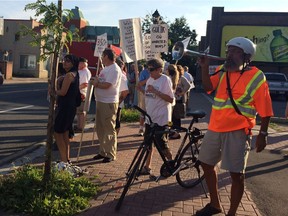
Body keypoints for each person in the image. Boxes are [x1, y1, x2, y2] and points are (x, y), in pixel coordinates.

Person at [196, 37, 273, 216]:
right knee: (206, 163)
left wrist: (263, 133)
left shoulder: (256, 76)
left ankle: (232, 213)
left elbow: (266, 109)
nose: (229, 54)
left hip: (238, 130)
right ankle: (215, 204)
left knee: (236, 174)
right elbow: (207, 87)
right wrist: (204, 67)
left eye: (234, 51)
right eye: (228, 50)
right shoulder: (223, 71)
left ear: (246, 56)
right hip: (215, 127)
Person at [140, 58, 174, 175]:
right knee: (148, 143)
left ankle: (171, 162)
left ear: (159, 69)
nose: (149, 72)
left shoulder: (165, 80)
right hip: (150, 118)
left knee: (162, 145)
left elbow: (170, 99)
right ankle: (147, 166)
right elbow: (148, 96)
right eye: (148, 69)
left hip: (161, 119)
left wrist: (156, 91)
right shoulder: (150, 79)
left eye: (151, 69)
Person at [91, 48, 122, 163]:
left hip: (108, 102)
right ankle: (103, 151)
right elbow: (102, 81)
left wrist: (97, 83)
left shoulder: (114, 69)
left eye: (102, 56)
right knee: (100, 128)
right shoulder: (106, 69)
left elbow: (107, 85)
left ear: (107, 57)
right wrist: (97, 80)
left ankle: (110, 153)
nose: (101, 58)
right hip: (101, 101)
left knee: (109, 128)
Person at [53, 54, 80, 163]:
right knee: (65, 133)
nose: (64, 62)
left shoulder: (69, 75)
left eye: (68, 61)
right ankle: (66, 159)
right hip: (69, 107)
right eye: (64, 60)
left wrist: (53, 91)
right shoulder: (74, 74)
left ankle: (64, 160)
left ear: (73, 63)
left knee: (58, 132)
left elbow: (63, 92)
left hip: (65, 107)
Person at [170, 65, 191, 139]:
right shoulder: (171, 77)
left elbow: (188, 85)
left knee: (176, 115)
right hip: (173, 99)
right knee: (172, 116)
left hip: (178, 99)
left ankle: (176, 130)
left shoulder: (181, 78)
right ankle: (172, 130)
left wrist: (182, 93)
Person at [74, 57, 91, 132]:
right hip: (80, 93)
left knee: (81, 111)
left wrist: (76, 89)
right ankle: (79, 126)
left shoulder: (84, 72)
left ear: (82, 64)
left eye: (79, 63)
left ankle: (80, 127)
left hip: (81, 93)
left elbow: (85, 84)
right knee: (79, 111)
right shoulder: (82, 71)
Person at [115, 58, 129, 135]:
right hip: (112, 102)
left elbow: (125, 92)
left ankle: (115, 138)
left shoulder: (122, 76)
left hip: (117, 103)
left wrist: (117, 102)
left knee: (116, 120)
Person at [137, 64, 150, 136]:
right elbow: (140, 84)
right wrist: (148, 79)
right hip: (145, 95)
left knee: (151, 113)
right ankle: (141, 128)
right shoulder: (143, 72)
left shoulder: (159, 73)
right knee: (143, 112)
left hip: (155, 96)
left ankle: (149, 129)